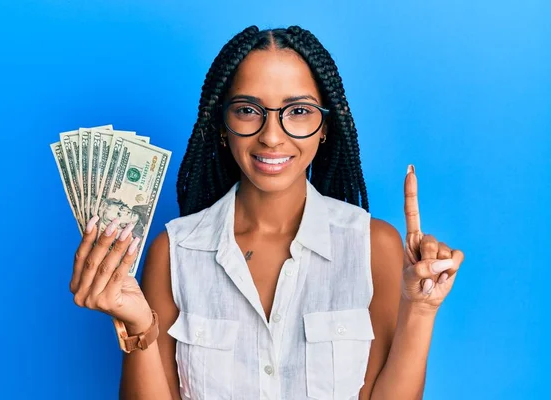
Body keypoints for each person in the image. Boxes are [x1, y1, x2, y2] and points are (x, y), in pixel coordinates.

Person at [69, 25, 465, 400]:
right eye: (247, 110)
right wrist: (138, 326)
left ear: (325, 125)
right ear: (222, 124)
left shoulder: (372, 245)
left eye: (297, 112)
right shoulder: (174, 251)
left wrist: (421, 309)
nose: (272, 136)